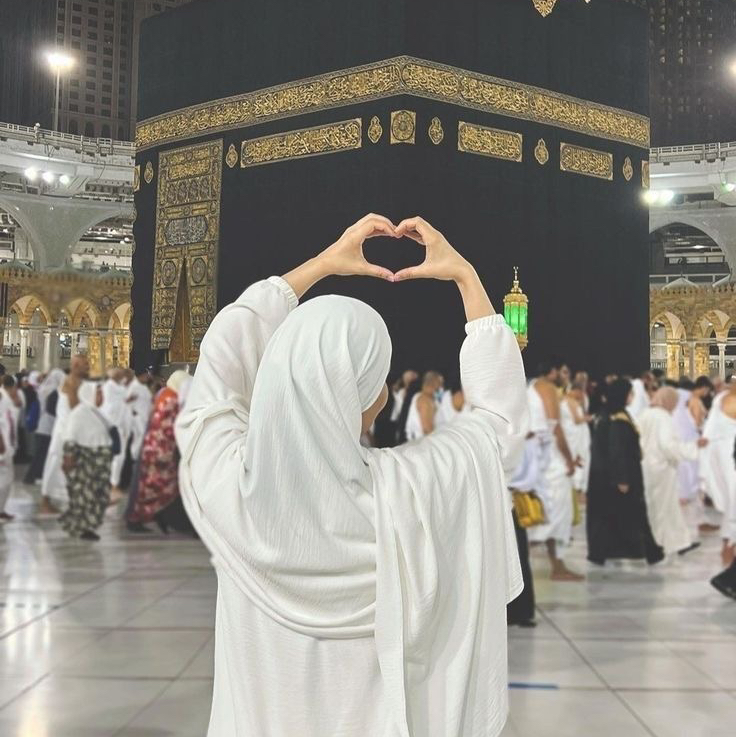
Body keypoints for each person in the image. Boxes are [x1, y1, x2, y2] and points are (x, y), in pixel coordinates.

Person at [175, 214, 528, 737]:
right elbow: (498, 430)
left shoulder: (223, 482)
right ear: (358, 396)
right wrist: (466, 278)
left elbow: (223, 353)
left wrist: (321, 265)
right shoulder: (407, 495)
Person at [587, 378, 664, 566]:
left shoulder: (610, 414)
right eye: (630, 393)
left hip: (607, 477)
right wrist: (622, 479)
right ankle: (651, 551)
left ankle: (607, 552)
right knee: (634, 513)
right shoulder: (618, 419)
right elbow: (617, 450)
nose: (632, 396)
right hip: (621, 476)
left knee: (611, 515)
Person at [527, 358, 583, 581]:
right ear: (553, 371)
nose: (566, 376)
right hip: (550, 458)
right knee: (556, 513)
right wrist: (568, 460)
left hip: (536, 456)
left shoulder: (531, 387)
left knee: (547, 513)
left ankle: (557, 564)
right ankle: (557, 567)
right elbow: (555, 427)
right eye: (563, 371)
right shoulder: (547, 388)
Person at [637, 387, 706, 557]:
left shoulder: (644, 414)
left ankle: (679, 542)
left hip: (645, 466)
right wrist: (692, 448)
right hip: (662, 469)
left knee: (660, 507)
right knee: (663, 508)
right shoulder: (664, 417)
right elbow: (668, 445)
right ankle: (660, 544)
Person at [127, 370, 192, 534]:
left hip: (153, 447)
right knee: (158, 486)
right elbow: (170, 427)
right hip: (161, 451)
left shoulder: (165, 395)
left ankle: (155, 517)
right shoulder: (171, 399)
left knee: (154, 486)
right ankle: (139, 518)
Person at [58, 381, 113, 541]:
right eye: (98, 393)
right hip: (86, 464)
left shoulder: (94, 412)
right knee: (85, 496)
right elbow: (70, 438)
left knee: (98, 496)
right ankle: (83, 528)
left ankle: (82, 526)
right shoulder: (79, 413)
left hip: (99, 465)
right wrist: (68, 459)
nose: (102, 396)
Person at [40, 355, 89, 514]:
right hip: (64, 431)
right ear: (76, 365)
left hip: (72, 430)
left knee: (73, 467)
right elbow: (75, 407)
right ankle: (45, 501)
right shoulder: (70, 381)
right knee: (55, 464)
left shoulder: (79, 382)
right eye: (85, 364)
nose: (88, 367)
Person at [700, 380, 736, 566]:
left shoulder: (721, 398)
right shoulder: (726, 400)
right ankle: (728, 546)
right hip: (728, 454)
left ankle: (728, 546)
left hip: (721, 453)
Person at [26, 369, 65, 485]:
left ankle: (36, 476)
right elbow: (53, 410)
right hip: (48, 427)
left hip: (43, 426)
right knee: (41, 454)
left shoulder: (44, 388)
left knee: (42, 453)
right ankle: (32, 476)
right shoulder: (53, 391)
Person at [404, 370, 444, 440]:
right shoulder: (425, 401)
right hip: (425, 442)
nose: (441, 386)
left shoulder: (427, 399)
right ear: (433, 383)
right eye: (440, 383)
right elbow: (427, 429)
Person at [0, 377, 17, 522]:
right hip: (2, 444)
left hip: (6, 443)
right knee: (4, 478)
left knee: (7, 478)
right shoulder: (2, 396)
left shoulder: (5, 397)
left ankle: (1, 509)